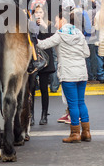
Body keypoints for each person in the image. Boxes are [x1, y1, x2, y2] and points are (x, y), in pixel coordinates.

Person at [37, 8, 91, 143]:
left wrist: (33, 38)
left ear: (63, 20)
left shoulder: (60, 34)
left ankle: (74, 134)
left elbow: (43, 45)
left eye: (56, 21)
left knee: (72, 105)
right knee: (81, 102)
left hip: (68, 73)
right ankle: (86, 132)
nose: (55, 25)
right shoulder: (79, 33)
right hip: (82, 72)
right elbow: (87, 53)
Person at [28, 5, 55, 125]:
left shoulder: (49, 24)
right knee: (32, 88)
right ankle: (31, 115)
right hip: (33, 57)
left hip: (45, 59)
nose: (38, 14)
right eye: (36, 12)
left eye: (40, 12)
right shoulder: (30, 24)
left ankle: (44, 115)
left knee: (44, 88)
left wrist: (43, 25)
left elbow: (52, 38)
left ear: (44, 14)